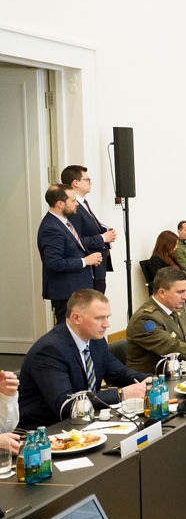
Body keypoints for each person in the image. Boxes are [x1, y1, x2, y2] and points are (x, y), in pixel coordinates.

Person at [17, 289, 151, 428]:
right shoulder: (50, 350)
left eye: (107, 317)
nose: (106, 324)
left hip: (85, 421)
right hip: (47, 430)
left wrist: (148, 380)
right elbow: (66, 405)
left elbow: (119, 373)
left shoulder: (95, 340)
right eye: (99, 318)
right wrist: (121, 394)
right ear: (76, 318)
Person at [37, 183, 97, 323]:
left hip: (77, 289)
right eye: (72, 201)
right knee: (69, 334)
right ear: (60, 204)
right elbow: (54, 263)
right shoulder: (51, 228)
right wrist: (85, 261)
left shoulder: (63, 222)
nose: (76, 204)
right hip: (66, 292)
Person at [60, 164, 115, 294]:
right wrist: (102, 238)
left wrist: (103, 231)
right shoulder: (73, 207)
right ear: (76, 183)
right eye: (87, 179)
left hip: (97, 267)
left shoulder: (83, 204)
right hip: (88, 270)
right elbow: (75, 240)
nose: (91, 182)